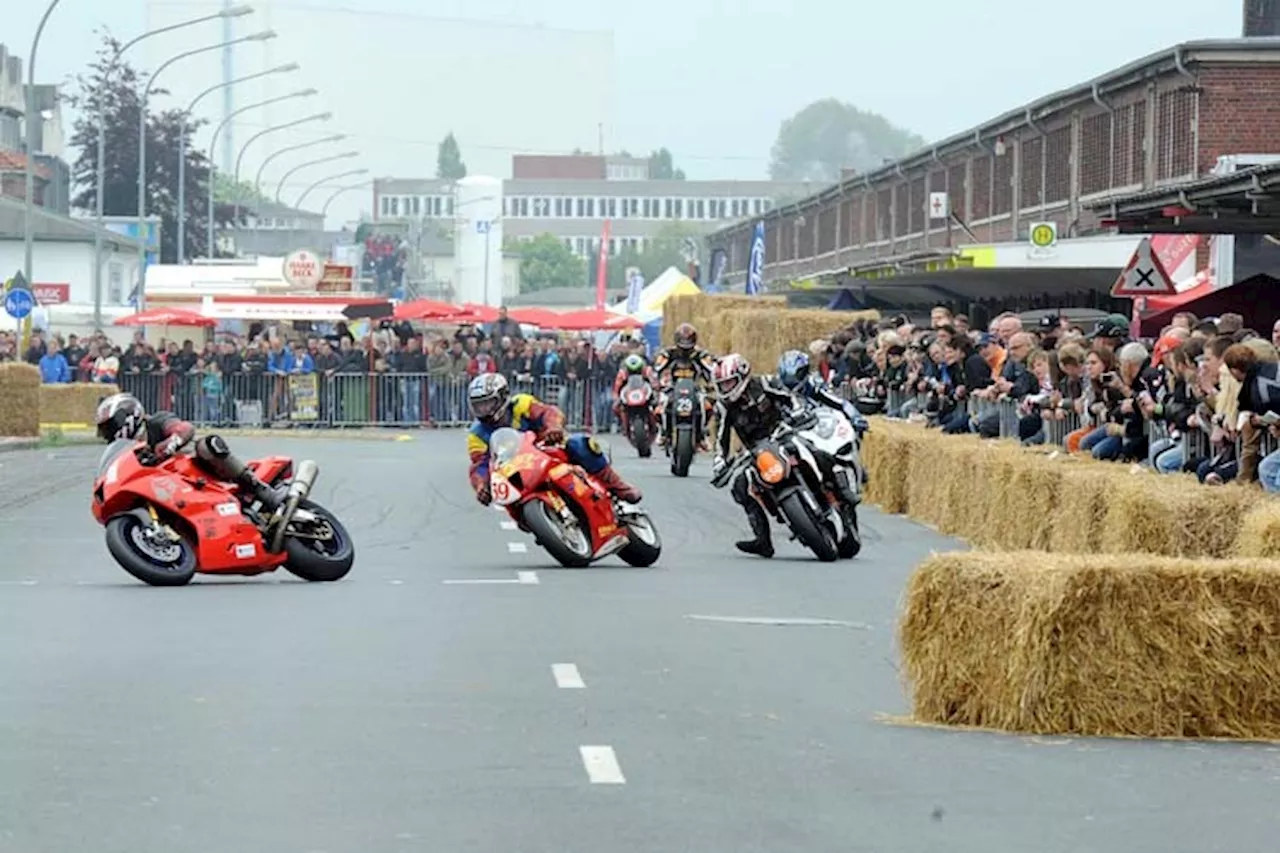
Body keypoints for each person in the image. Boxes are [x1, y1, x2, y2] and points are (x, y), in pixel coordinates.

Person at [465, 373, 642, 505]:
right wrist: (481, 486)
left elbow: (549, 412)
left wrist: (553, 427)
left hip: (547, 448)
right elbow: (479, 465)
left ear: (502, 397)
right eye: (478, 406)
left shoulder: (521, 403)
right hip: (516, 471)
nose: (483, 410)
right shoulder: (476, 434)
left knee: (581, 444)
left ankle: (619, 487)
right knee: (506, 495)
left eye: (487, 403)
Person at [93, 392, 280, 510]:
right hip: (171, 489)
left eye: (109, 427)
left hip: (197, 468)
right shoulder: (124, 450)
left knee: (207, 445)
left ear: (126, 417)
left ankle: (258, 487)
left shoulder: (156, 421)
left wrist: (167, 447)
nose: (107, 434)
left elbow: (185, 429)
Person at [710, 354, 801, 559]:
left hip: (785, 433)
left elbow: (791, 397)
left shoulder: (764, 383)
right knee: (740, 487)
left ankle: (842, 492)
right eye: (722, 385)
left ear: (742, 375)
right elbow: (720, 437)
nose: (726, 389)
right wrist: (719, 461)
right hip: (757, 451)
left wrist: (798, 413)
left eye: (730, 383)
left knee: (817, 452)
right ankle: (763, 540)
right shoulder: (724, 407)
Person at [652, 322, 716, 448]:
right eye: (683, 341)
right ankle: (663, 431)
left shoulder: (700, 354)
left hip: (695, 388)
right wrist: (657, 381)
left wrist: (712, 380)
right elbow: (658, 367)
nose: (685, 346)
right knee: (659, 407)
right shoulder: (669, 353)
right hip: (673, 387)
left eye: (688, 341)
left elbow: (711, 369)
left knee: (707, 406)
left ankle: (702, 434)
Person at [775, 350, 870, 433]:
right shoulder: (775, 391)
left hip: (819, 429)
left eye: (799, 373)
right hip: (793, 435)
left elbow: (839, 402)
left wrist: (855, 417)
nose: (793, 380)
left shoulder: (812, 384)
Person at [611, 353, 660, 434]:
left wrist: (656, 390)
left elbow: (654, 382)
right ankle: (623, 424)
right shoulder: (622, 373)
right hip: (629, 392)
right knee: (616, 407)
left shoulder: (647, 370)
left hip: (644, 391)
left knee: (656, 405)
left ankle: (656, 423)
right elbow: (617, 386)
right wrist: (616, 396)